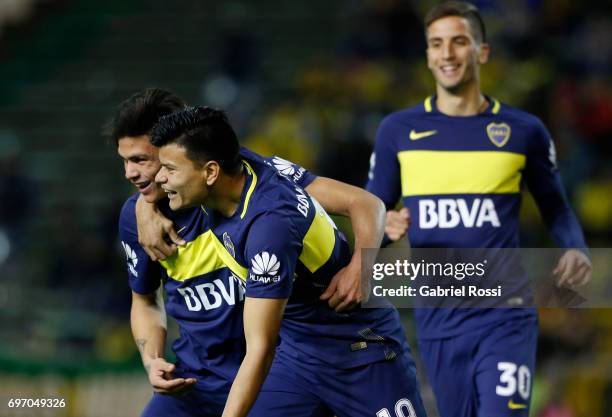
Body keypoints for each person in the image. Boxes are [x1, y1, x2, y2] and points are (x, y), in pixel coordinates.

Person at [109, 88, 398, 416]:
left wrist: (364, 265)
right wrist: (152, 361)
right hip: (199, 379)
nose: (132, 173)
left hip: (290, 363)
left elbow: (363, 203)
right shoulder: (148, 211)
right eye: (126, 161)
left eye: (144, 160)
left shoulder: (256, 187)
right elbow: (144, 300)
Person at [366, 2, 592, 417]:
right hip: (438, 319)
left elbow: (557, 208)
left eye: (458, 42)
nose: (447, 54)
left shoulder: (523, 130)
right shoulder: (397, 130)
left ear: (482, 51)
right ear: (428, 54)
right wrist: (384, 224)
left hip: (505, 313)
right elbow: (368, 216)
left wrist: (575, 247)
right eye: (436, 44)